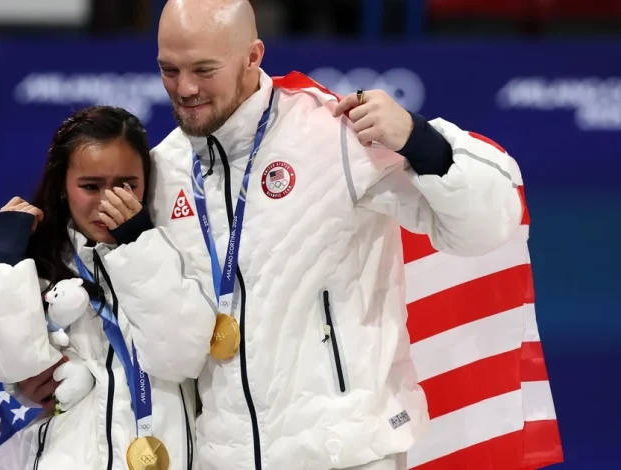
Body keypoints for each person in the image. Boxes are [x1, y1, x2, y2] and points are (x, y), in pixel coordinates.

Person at [146, 0, 526, 469]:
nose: (184, 88)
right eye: (169, 69)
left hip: (347, 453)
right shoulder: (163, 171)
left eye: (204, 69)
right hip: (223, 457)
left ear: (252, 56)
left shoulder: (332, 132)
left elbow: (487, 226)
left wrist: (415, 137)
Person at [0, 106, 214, 469]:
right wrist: (5, 262)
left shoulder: (175, 252)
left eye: (127, 185)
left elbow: (183, 356)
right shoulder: (36, 263)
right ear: (62, 187)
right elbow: (4, 365)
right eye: (90, 186)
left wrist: (137, 246)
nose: (108, 201)